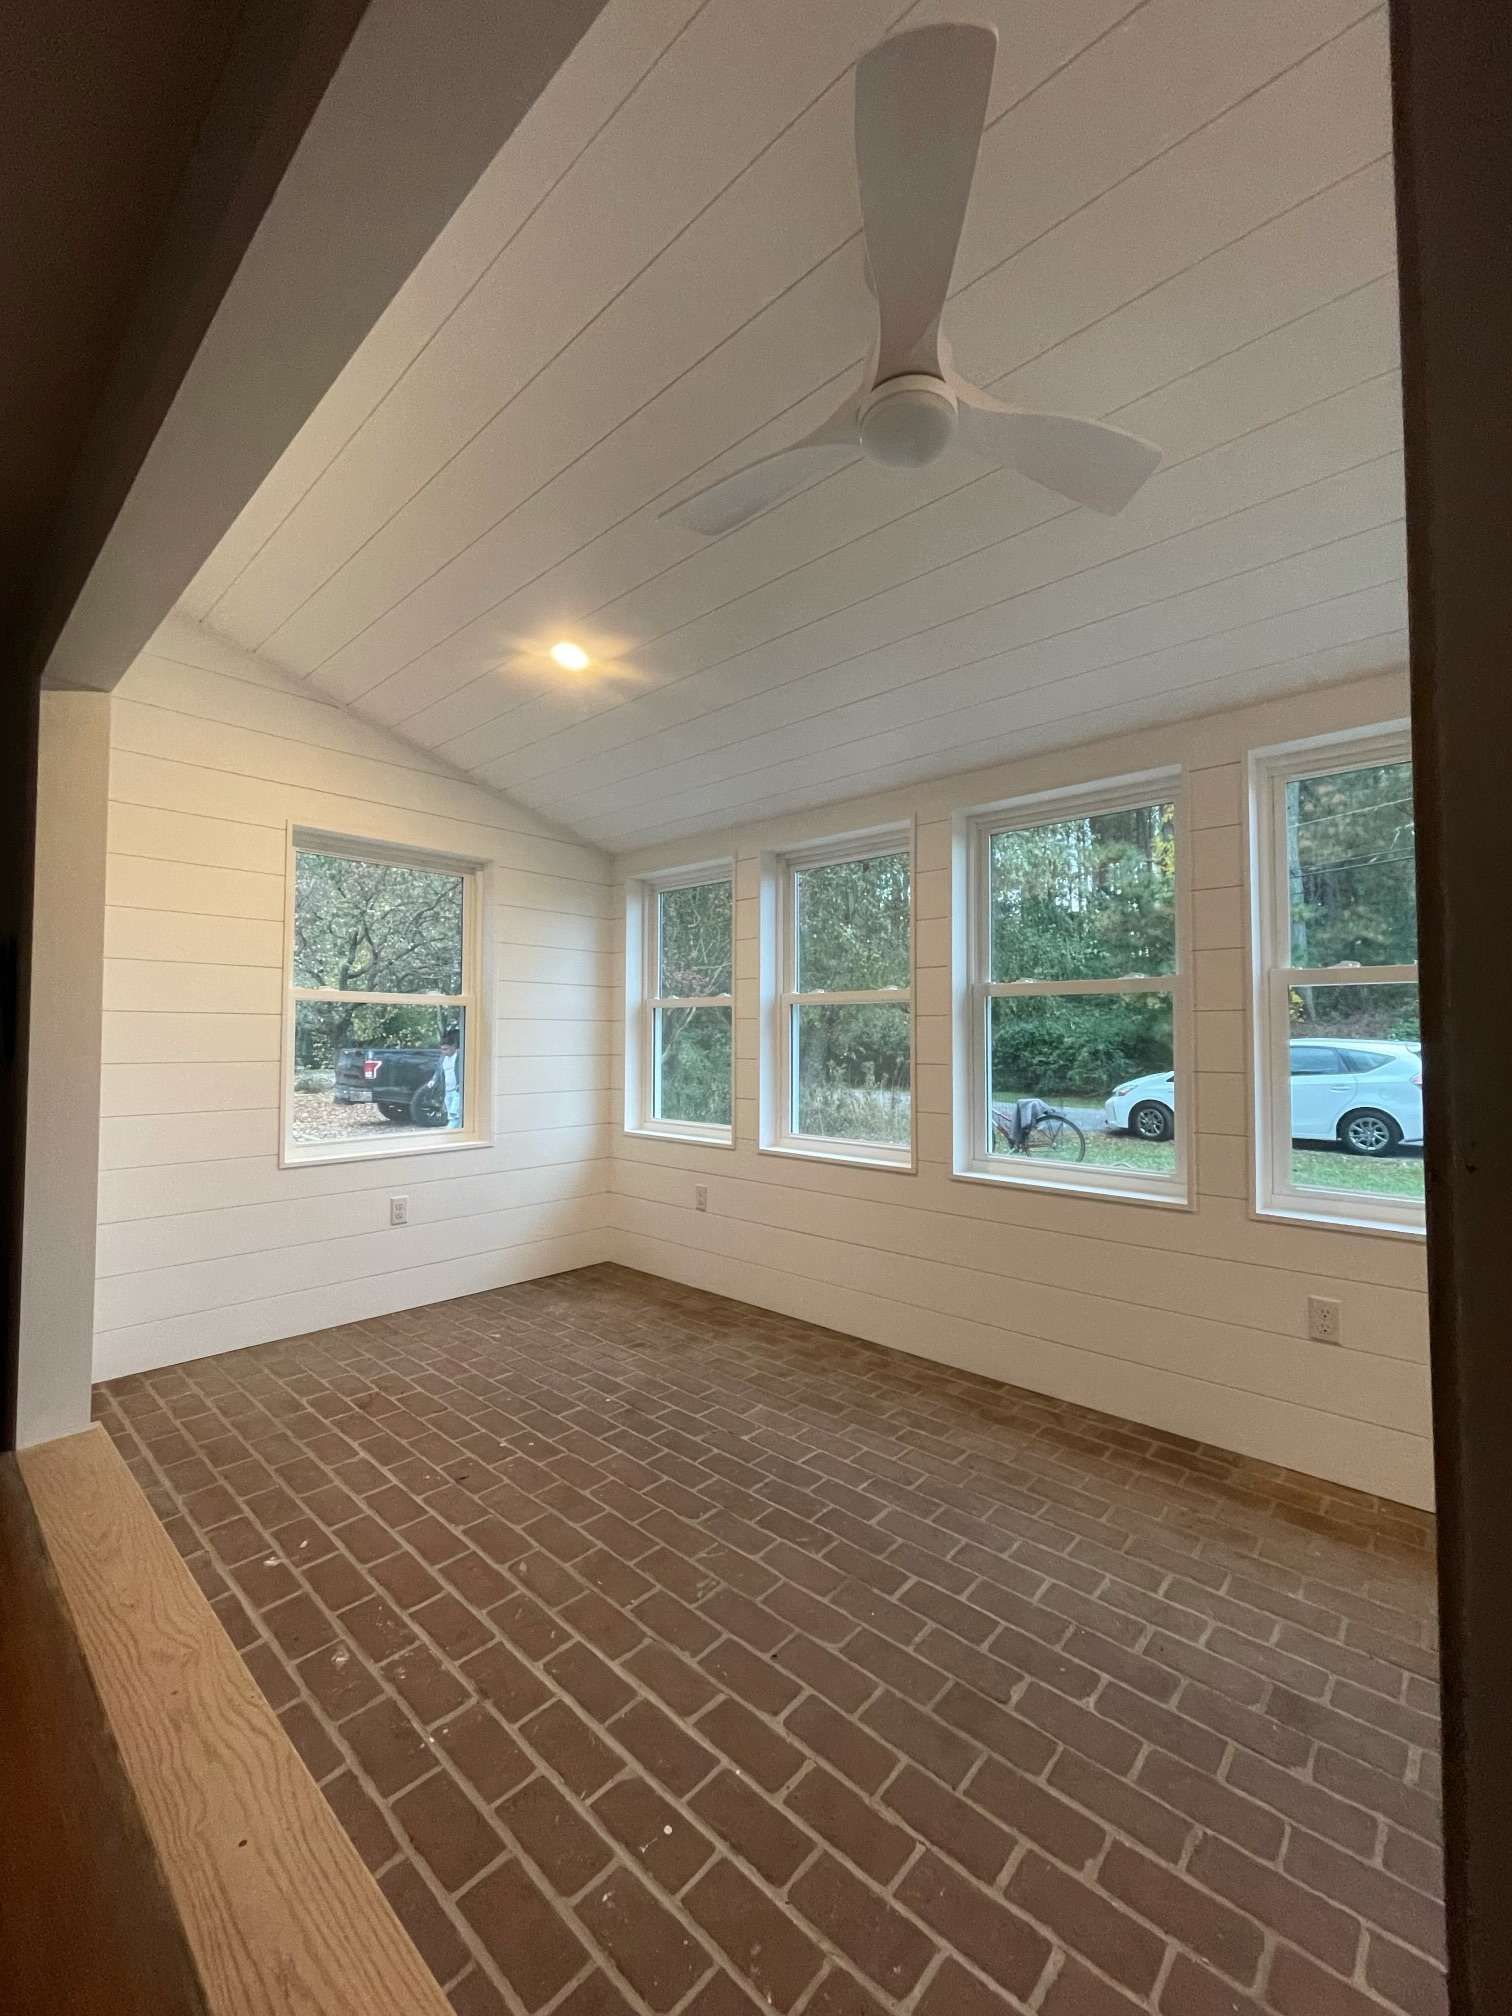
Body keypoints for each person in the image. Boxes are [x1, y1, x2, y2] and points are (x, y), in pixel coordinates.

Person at [436, 1024, 462, 1129]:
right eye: (442, 1049)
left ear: (454, 1046)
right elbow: (439, 1073)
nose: (444, 1052)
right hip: (448, 1091)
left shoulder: (460, 1056)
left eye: (446, 1049)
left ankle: (449, 1133)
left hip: (457, 1091)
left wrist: (461, 1084)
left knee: (454, 1116)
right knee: (452, 1115)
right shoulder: (443, 1059)